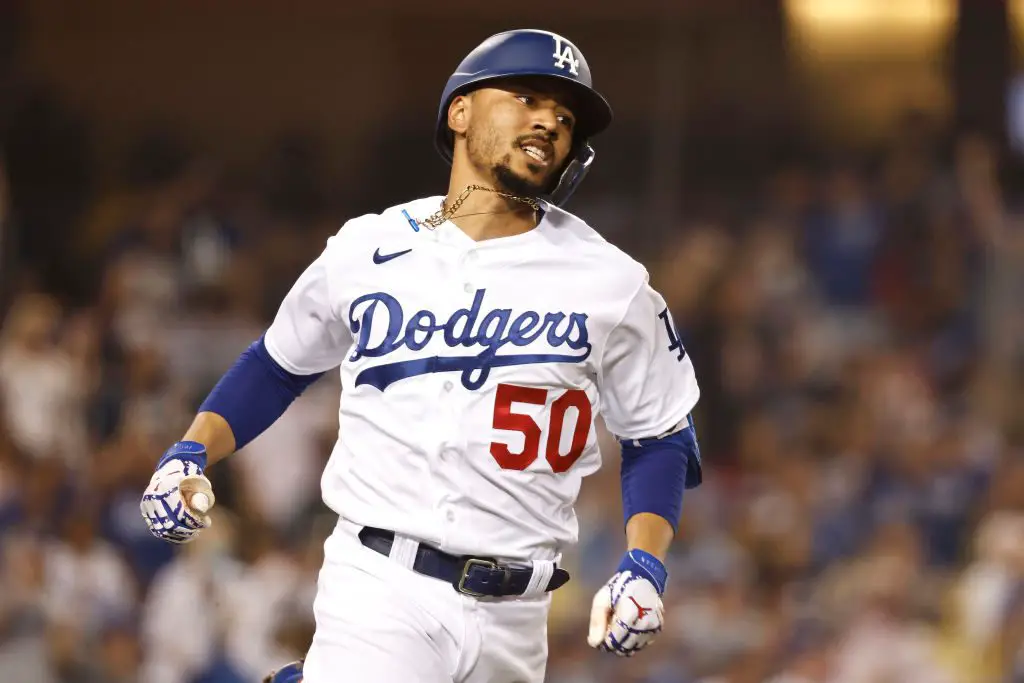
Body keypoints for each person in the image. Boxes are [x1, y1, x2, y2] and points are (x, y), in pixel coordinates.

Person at [140, 28, 703, 683]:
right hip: (384, 581)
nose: (549, 119)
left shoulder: (612, 281)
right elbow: (276, 365)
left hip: (519, 613)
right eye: (526, 97)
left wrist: (644, 562)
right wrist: (190, 450)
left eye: (565, 116)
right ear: (459, 112)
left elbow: (659, 432)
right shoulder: (368, 248)